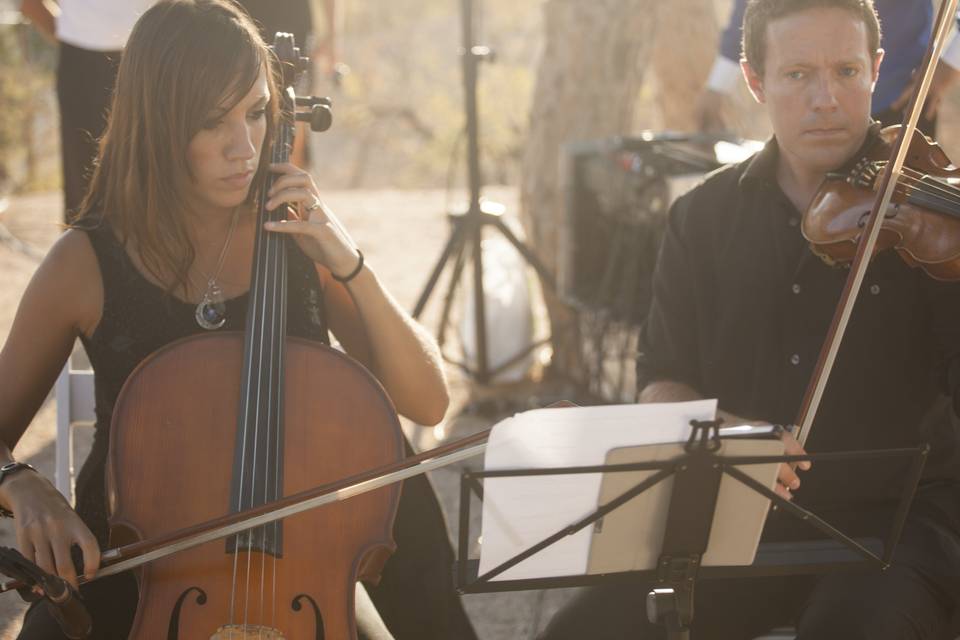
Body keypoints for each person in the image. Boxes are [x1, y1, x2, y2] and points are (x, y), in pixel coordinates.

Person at [0, 1, 474, 638]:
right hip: (140, 582)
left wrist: (348, 262)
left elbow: (428, 401)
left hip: (301, 575)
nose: (244, 147)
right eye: (211, 123)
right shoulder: (85, 262)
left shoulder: (298, 236)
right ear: (159, 123)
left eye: (256, 113)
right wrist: (25, 485)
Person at [540, 1, 960, 638]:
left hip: (899, 524)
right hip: (741, 520)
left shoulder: (934, 222)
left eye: (847, 71)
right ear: (756, 80)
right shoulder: (702, 218)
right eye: (798, 75)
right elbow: (662, 376)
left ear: (877, 70)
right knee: (583, 631)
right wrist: (725, 433)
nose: (826, 98)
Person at [695, 0, 960, 135]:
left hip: (899, 100)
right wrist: (718, 86)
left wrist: (949, 63)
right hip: (804, 105)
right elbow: (755, 7)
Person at [20, 0, 155, 221]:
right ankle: (79, 250)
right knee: (82, 178)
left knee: (146, 168)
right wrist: (72, 34)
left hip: (143, 56)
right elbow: (30, 4)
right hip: (82, 57)